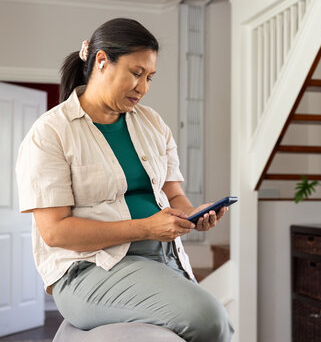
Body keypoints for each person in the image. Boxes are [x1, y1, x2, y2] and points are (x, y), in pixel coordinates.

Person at [15, 18, 234, 342]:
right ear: (102, 61)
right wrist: (146, 227)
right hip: (89, 269)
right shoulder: (50, 133)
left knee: (221, 326)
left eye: (149, 77)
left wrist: (191, 215)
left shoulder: (152, 123)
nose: (143, 87)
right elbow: (55, 231)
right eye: (136, 73)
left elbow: (174, 195)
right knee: (209, 319)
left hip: (162, 256)